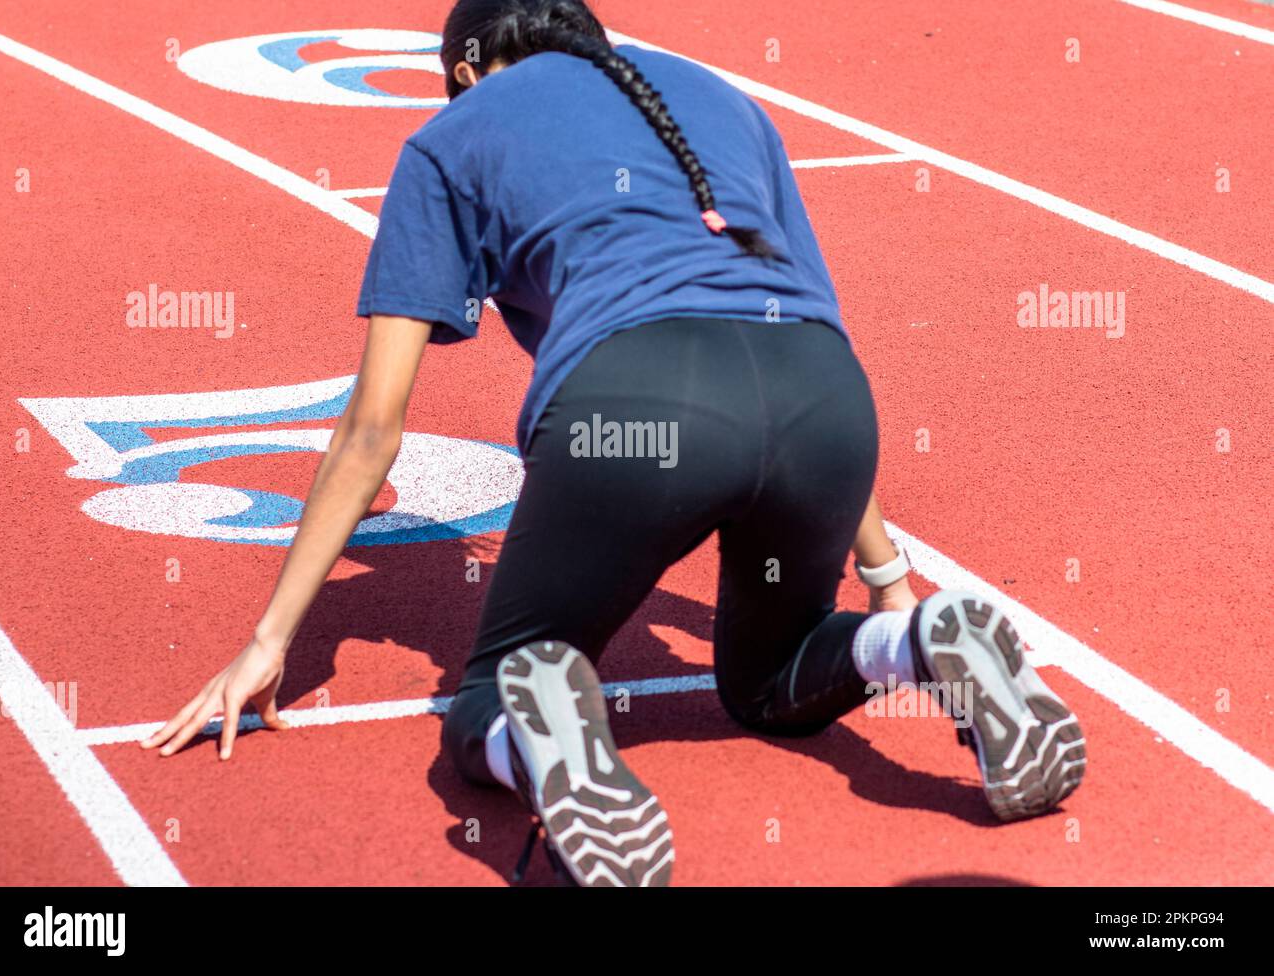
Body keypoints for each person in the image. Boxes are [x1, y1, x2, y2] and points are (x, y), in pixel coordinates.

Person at [143, 0, 1086, 887]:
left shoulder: (450, 137)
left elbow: (372, 430)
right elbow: (799, 320)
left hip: (640, 411)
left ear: (467, 70)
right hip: (827, 401)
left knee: (488, 700)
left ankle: (542, 721)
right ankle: (916, 643)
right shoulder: (726, 98)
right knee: (769, 679)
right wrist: (888, 579)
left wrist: (268, 642)